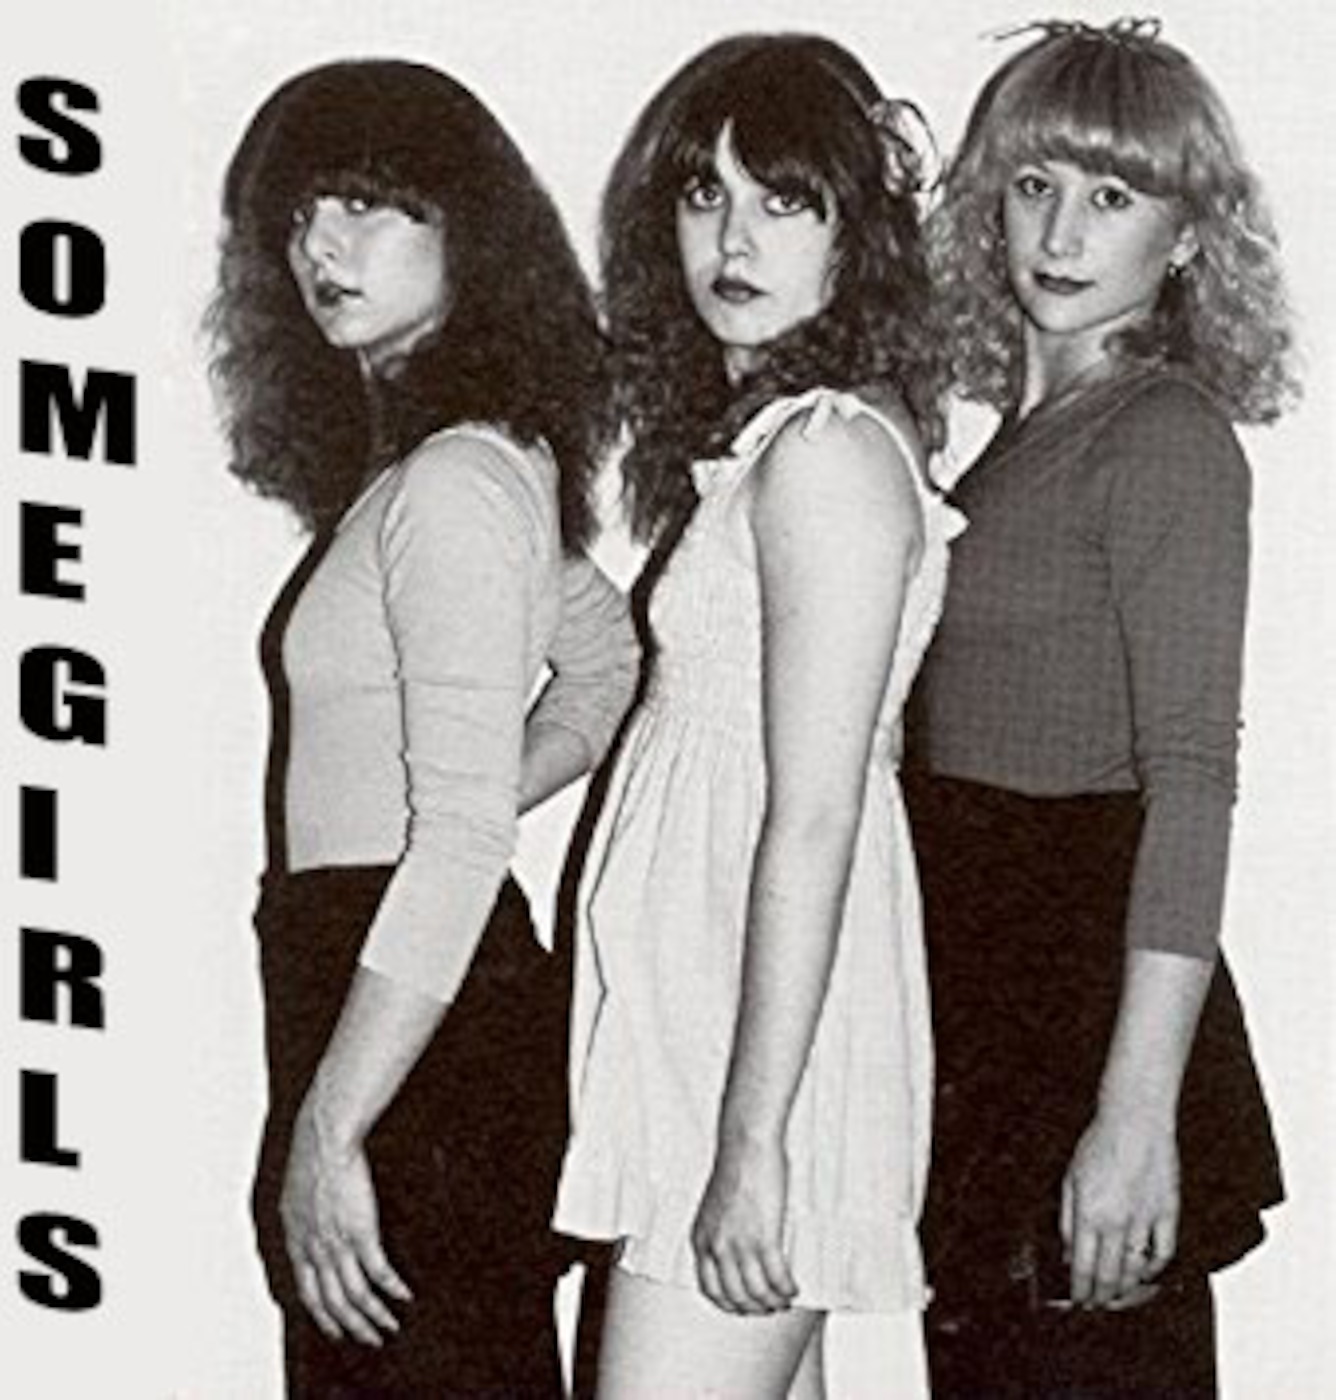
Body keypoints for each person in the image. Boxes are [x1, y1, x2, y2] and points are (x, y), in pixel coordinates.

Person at [207, 59, 639, 1397]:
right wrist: (472, 795)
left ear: (469, 229)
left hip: (408, 1013)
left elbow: (457, 844)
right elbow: (608, 660)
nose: (320, 247)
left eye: (365, 204)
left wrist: (329, 1129)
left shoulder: (455, 483)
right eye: (299, 216)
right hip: (394, 986)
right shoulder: (441, 471)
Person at [552, 34, 960, 1399]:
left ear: (859, 235)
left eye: (785, 201)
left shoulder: (829, 457)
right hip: (714, 1036)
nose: (733, 239)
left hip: (756, 1063)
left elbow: (818, 814)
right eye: (703, 194)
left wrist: (752, 1142)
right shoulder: (778, 449)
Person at [905, 19, 1297, 1397]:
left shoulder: (1164, 436)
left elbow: (1191, 782)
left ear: (1186, 238)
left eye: (1113, 196)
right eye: (1035, 186)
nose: (1062, 232)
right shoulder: (1015, 448)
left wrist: (1135, 1117)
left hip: (1080, 1002)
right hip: (988, 998)